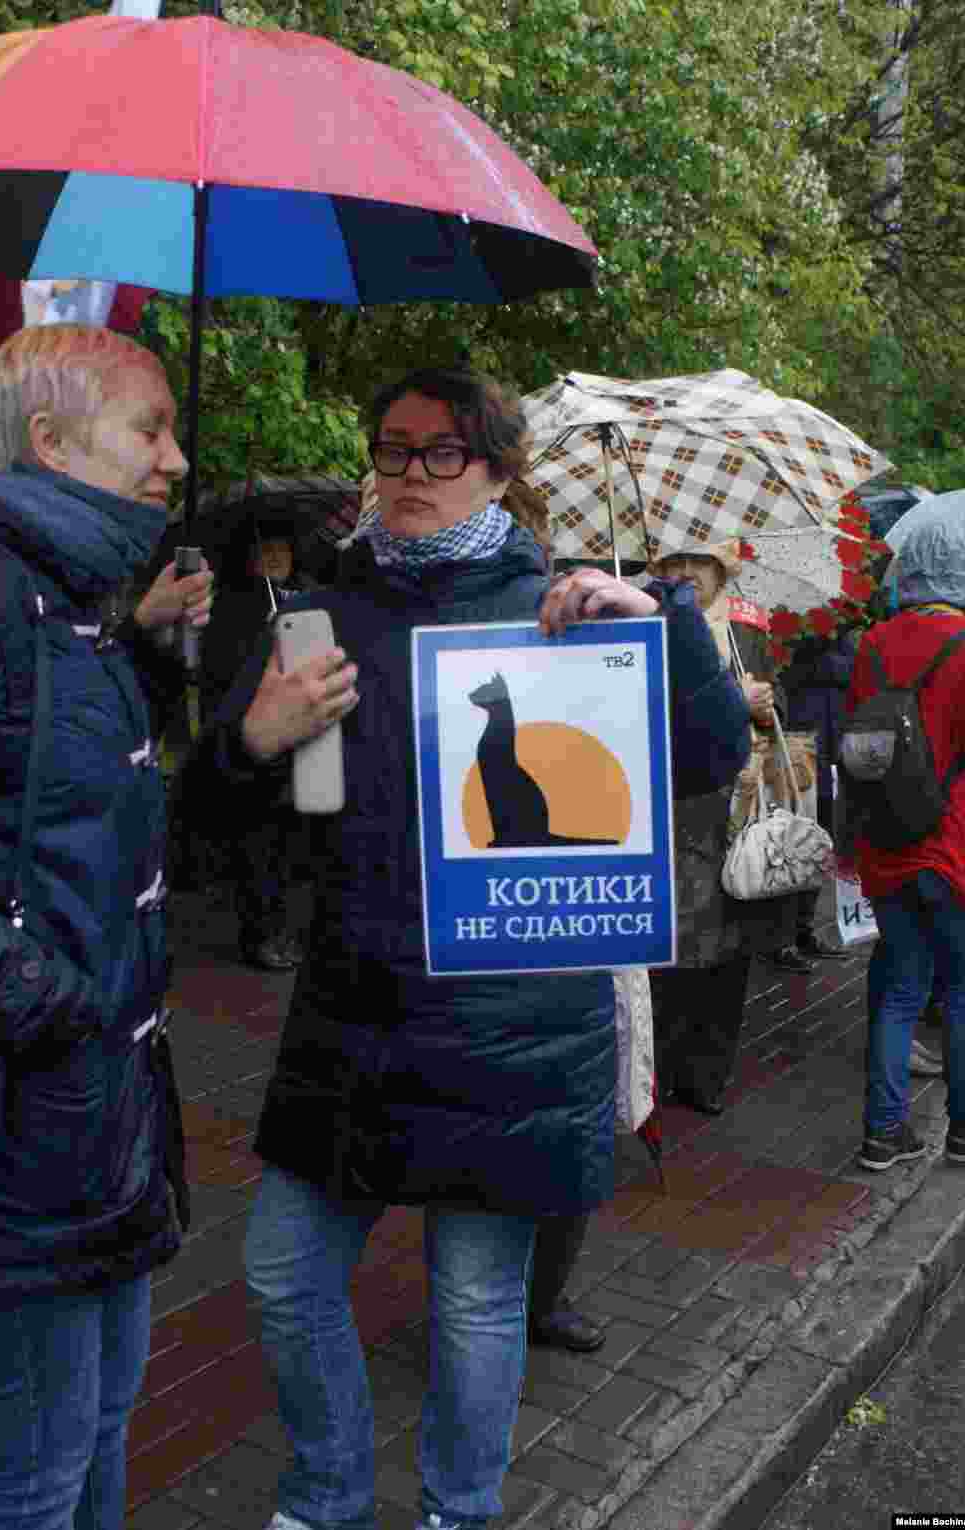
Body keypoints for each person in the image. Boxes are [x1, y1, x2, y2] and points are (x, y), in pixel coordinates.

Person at [178, 367, 751, 1530]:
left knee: (476, 1304)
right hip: (350, 1008)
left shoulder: (558, 607)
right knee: (287, 1279)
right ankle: (327, 1495)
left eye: (443, 453)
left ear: (497, 467)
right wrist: (249, 740)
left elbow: (706, 757)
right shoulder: (319, 617)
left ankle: (459, 1511)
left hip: (510, 1020)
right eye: (391, 451)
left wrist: (664, 626)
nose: (410, 475)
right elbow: (215, 822)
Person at [0, 323, 213, 1529]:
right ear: (50, 441)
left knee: (106, 1418)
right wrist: (60, 1013)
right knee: (31, 1469)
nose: (173, 458)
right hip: (28, 1129)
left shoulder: (75, 604)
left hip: (104, 1114)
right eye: (150, 428)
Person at [845, 512, 965, 1171]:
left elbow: (858, 752)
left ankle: (884, 1133)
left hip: (889, 847)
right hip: (957, 849)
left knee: (899, 992)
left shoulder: (873, 644)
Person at [644, 542, 798, 1115]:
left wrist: (764, 703)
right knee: (673, 942)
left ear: (719, 570)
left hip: (740, 807)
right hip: (674, 803)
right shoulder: (644, 620)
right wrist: (733, 699)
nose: (686, 574)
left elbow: (776, 697)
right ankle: (659, 1068)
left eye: (698, 563)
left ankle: (707, 1074)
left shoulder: (744, 626)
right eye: (674, 564)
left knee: (732, 941)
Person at [198, 500, 315, 970]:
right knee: (258, 840)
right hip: (253, 740)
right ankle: (262, 931)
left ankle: (282, 924)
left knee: (289, 841)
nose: (273, 560)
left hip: (300, 742)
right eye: (264, 553)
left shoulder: (303, 597)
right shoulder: (232, 606)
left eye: (280, 551)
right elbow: (219, 674)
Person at [774, 630, 856, 966]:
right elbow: (791, 673)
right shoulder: (792, 632)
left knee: (820, 843)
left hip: (830, 752)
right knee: (790, 843)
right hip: (799, 749)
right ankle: (780, 937)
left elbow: (853, 669)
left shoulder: (844, 631)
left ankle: (803, 928)